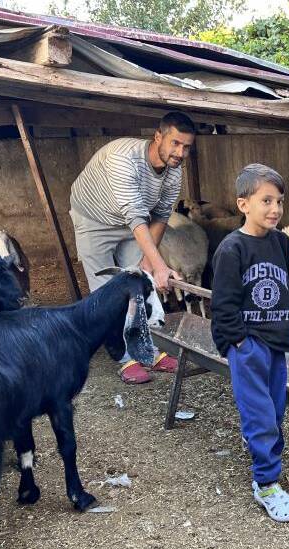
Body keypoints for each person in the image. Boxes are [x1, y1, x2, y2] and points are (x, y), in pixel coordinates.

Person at [210, 164, 289, 522]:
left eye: (279, 201)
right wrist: (239, 342)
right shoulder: (232, 250)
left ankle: (260, 447)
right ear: (243, 204)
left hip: (277, 341)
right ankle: (267, 485)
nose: (275, 209)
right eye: (266, 201)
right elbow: (223, 304)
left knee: (274, 411)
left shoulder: (282, 244)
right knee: (261, 416)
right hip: (247, 347)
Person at [70, 111, 194, 384]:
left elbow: (161, 215)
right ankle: (125, 358)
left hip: (130, 223)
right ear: (158, 137)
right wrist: (161, 266)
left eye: (186, 146)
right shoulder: (124, 159)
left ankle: (148, 350)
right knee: (106, 290)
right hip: (94, 218)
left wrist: (150, 266)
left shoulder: (174, 171)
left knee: (140, 284)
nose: (180, 152)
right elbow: (135, 215)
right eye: (175, 143)